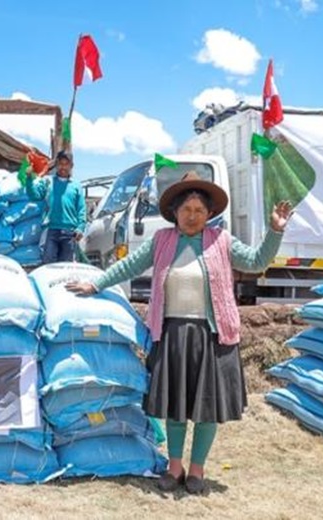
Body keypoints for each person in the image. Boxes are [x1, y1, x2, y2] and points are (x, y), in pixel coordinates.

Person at [64, 171, 293, 494]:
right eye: (187, 210)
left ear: (210, 214)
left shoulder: (222, 241)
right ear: (174, 212)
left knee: (205, 408)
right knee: (175, 407)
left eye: (200, 211)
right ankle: (175, 466)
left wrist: (275, 232)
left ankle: (197, 469)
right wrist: (96, 283)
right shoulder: (162, 241)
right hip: (172, 334)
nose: (193, 216)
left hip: (212, 337)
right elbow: (128, 266)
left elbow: (257, 261)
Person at [26, 150, 86, 263]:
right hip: (50, 230)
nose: (63, 167)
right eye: (60, 164)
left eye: (66, 164)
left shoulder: (76, 186)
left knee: (66, 267)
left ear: (71, 166)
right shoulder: (48, 182)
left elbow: (81, 209)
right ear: (56, 165)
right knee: (48, 265)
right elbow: (34, 195)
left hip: (70, 232)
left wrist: (80, 228)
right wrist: (29, 178)